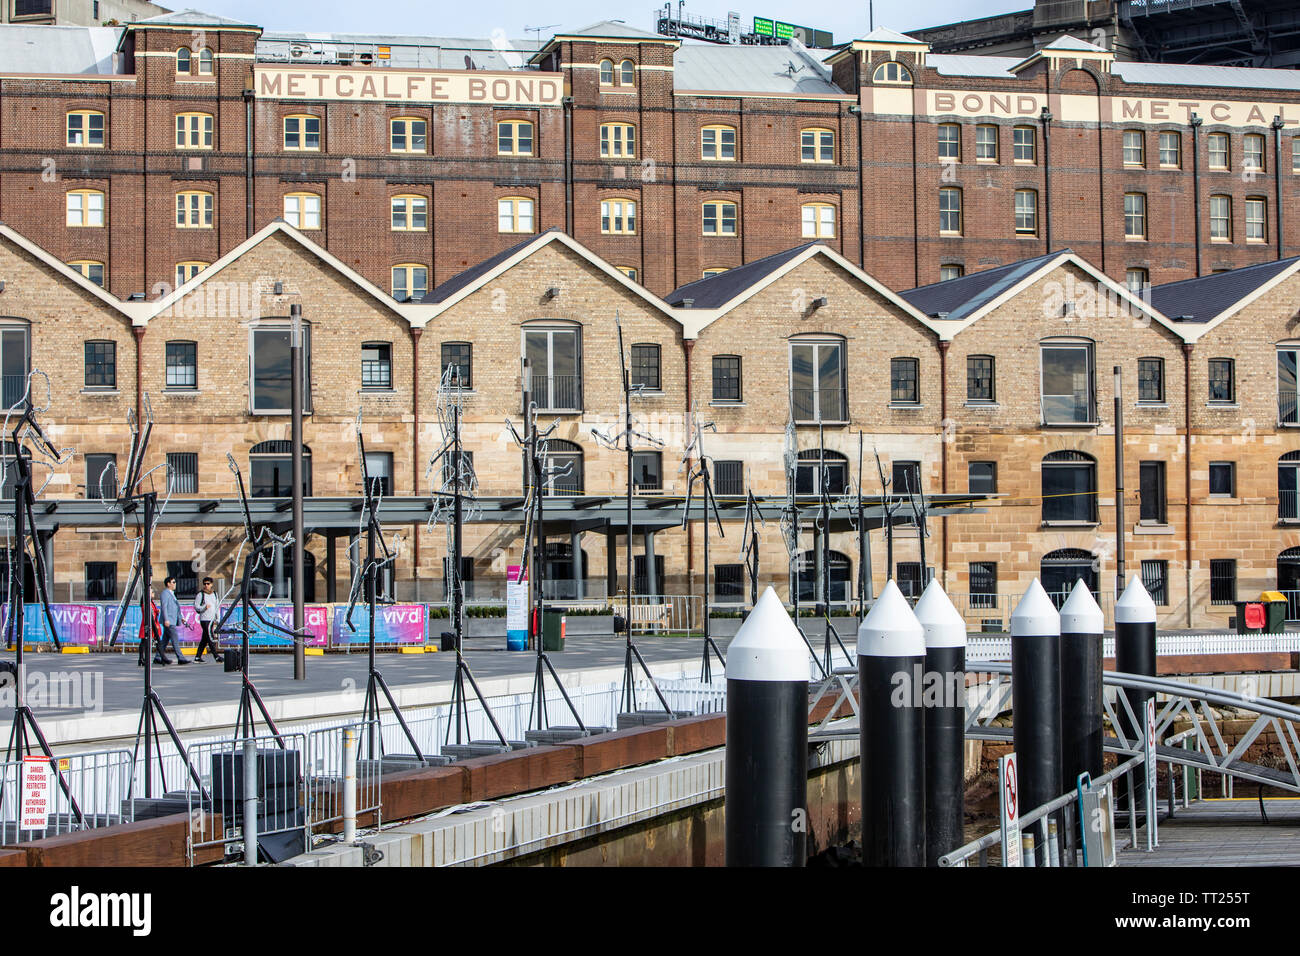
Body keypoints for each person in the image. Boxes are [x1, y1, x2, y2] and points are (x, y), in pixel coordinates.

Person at [158, 575, 189, 665]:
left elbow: (176, 608)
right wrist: (166, 619)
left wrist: (181, 617)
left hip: (172, 620)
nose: (175, 584)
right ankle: (181, 658)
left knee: (164, 640)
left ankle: (158, 656)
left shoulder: (172, 594)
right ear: (168, 584)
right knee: (175, 639)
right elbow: (164, 607)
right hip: (169, 621)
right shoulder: (165, 593)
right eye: (173, 582)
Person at [193, 577, 223, 663]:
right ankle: (216, 656)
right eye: (205, 584)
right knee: (210, 637)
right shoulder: (200, 594)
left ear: (211, 584)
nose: (206, 585)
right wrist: (204, 607)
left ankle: (198, 657)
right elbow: (196, 606)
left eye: (208, 584)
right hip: (204, 619)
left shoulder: (215, 594)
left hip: (211, 618)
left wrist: (218, 618)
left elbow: (217, 606)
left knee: (205, 639)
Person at [138, 589, 167, 666]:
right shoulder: (146, 603)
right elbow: (148, 614)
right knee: (145, 642)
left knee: (155, 642)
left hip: (153, 624)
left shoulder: (151, 602)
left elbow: (152, 613)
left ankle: (161, 657)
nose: (153, 593)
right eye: (152, 592)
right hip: (149, 624)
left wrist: (157, 611)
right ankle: (142, 658)